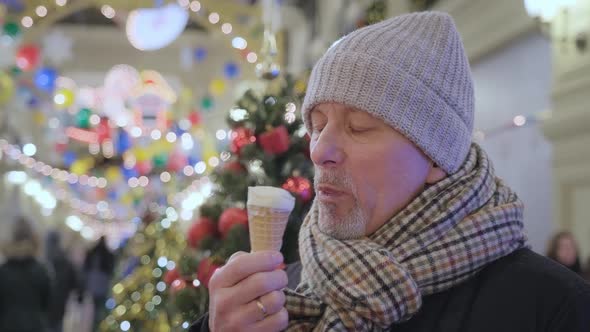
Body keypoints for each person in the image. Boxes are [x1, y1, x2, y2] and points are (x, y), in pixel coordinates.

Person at [192, 11, 590, 332]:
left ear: (437, 157)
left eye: (358, 126)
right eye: (316, 124)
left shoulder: (550, 309)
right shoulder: (277, 293)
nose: (320, 150)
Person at [0, 217, 51, 332]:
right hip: (35, 326)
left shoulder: (3, 271)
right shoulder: (41, 271)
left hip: (7, 326)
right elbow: (47, 304)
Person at [45, 231, 82, 332]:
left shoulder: (42, 260)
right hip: (59, 305)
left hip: (44, 308)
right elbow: (75, 281)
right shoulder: (65, 260)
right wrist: (79, 296)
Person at [82, 236, 115, 331]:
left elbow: (86, 268)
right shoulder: (108, 255)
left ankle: (95, 326)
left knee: (96, 307)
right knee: (99, 309)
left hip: (94, 284)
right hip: (102, 285)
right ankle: (97, 326)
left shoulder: (93, 253)